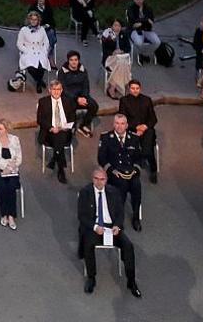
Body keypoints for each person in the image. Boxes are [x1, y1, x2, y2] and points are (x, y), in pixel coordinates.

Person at [78, 167, 140, 297]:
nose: (99, 182)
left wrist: (117, 225)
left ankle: (131, 280)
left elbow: (119, 213)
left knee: (128, 246)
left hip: (111, 227)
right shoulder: (85, 192)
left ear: (106, 180)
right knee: (88, 244)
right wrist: (95, 227)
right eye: (96, 179)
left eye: (102, 179)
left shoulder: (114, 192)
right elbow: (82, 216)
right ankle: (91, 277)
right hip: (94, 227)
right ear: (92, 179)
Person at [97, 113, 144, 230]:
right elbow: (101, 158)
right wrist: (111, 170)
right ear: (113, 124)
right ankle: (119, 218)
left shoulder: (134, 138)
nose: (119, 126)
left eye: (122, 124)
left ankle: (136, 217)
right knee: (121, 186)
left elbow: (139, 158)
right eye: (117, 123)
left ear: (127, 125)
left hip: (131, 172)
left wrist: (136, 170)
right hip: (115, 172)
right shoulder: (106, 138)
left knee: (136, 185)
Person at [117, 78, 159, 182]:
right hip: (131, 129)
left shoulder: (147, 100)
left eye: (137, 88)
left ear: (140, 89)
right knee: (128, 144)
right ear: (129, 89)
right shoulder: (124, 100)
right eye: (133, 88)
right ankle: (128, 169)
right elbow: (122, 118)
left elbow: (153, 118)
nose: (135, 90)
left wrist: (144, 126)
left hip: (146, 129)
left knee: (149, 149)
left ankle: (153, 170)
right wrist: (136, 127)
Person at [0, 119, 23, 228]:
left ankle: (11, 215)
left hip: (12, 170)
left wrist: (11, 167)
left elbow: (19, 157)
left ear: (6, 129)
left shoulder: (15, 139)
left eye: (1, 129)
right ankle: (4, 214)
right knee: (2, 186)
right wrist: (4, 166)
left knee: (11, 186)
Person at [37, 79, 75, 184]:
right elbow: (40, 120)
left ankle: (54, 160)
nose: (56, 92)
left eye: (58, 89)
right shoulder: (43, 102)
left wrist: (67, 126)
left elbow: (73, 117)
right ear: (49, 90)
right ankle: (61, 169)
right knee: (58, 136)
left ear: (62, 90)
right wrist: (51, 128)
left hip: (65, 131)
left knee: (61, 135)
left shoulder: (68, 101)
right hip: (49, 133)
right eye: (54, 89)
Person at [59, 50, 100, 135]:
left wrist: (84, 97)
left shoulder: (83, 70)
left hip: (82, 96)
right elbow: (64, 89)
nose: (74, 62)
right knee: (70, 107)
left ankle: (83, 125)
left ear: (78, 60)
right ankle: (71, 126)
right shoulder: (62, 71)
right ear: (68, 61)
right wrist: (76, 99)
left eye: (76, 60)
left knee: (94, 106)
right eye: (71, 60)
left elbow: (86, 85)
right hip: (69, 97)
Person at [17, 11, 52, 92]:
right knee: (30, 67)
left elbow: (46, 42)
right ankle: (39, 81)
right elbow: (19, 43)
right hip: (28, 52)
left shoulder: (42, 29)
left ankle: (38, 82)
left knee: (41, 66)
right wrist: (26, 51)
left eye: (35, 19)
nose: (33, 21)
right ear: (29, 20)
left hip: (40, 51)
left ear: (38, 20)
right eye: (32, 19)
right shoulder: (24, 30)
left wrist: (44, 51)